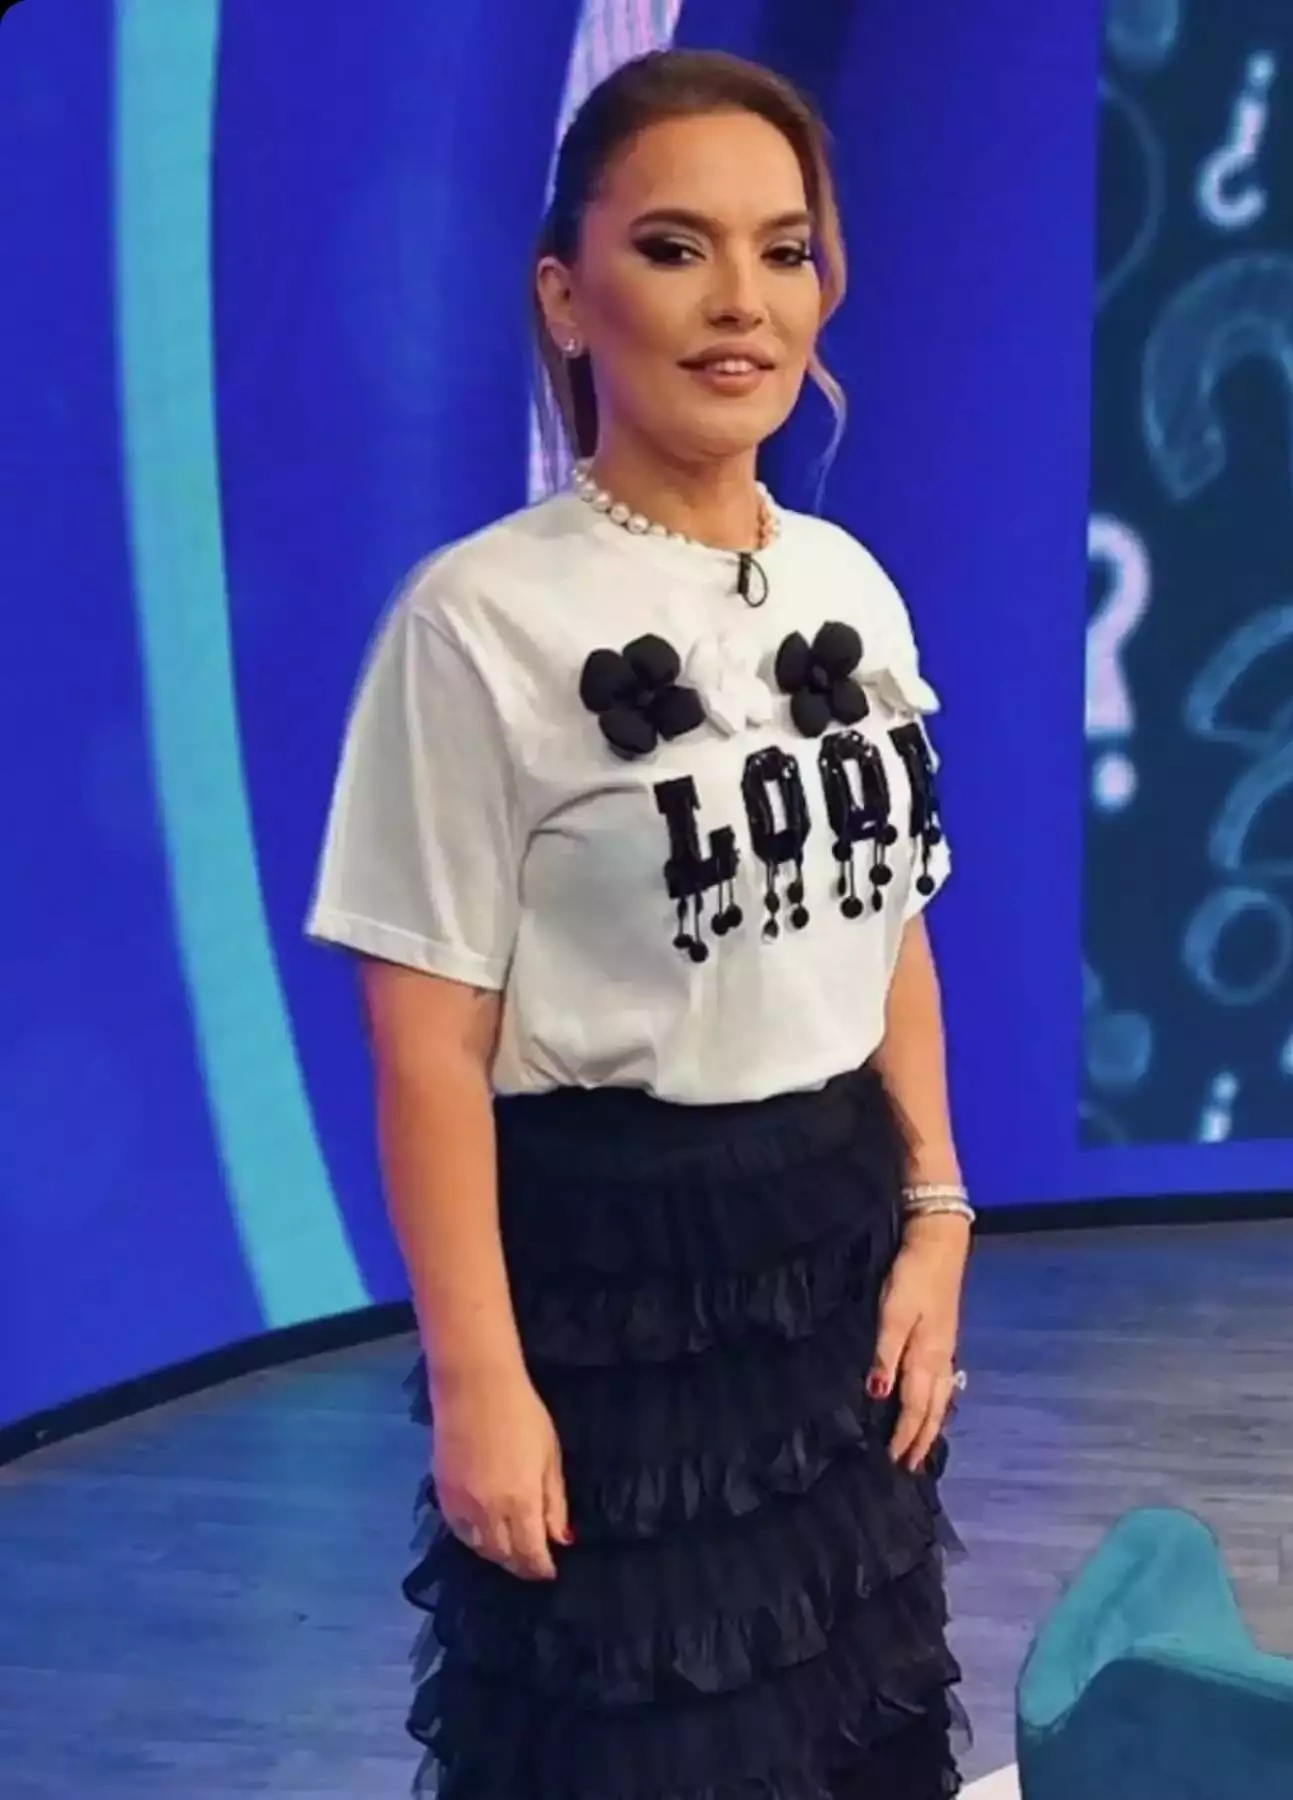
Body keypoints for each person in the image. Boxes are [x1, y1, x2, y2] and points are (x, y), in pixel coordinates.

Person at [307, 46, 974, 1800]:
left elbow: (890, 926)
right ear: (565, 293)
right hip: (610, 1294)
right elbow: (424, 1046)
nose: (741, 301)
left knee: (853, 1737)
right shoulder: (474, 624)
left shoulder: (849, 583)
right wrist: (477, 1381)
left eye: (784, 249)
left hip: (834, 1259)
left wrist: (938, 1213)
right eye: (676, 248)